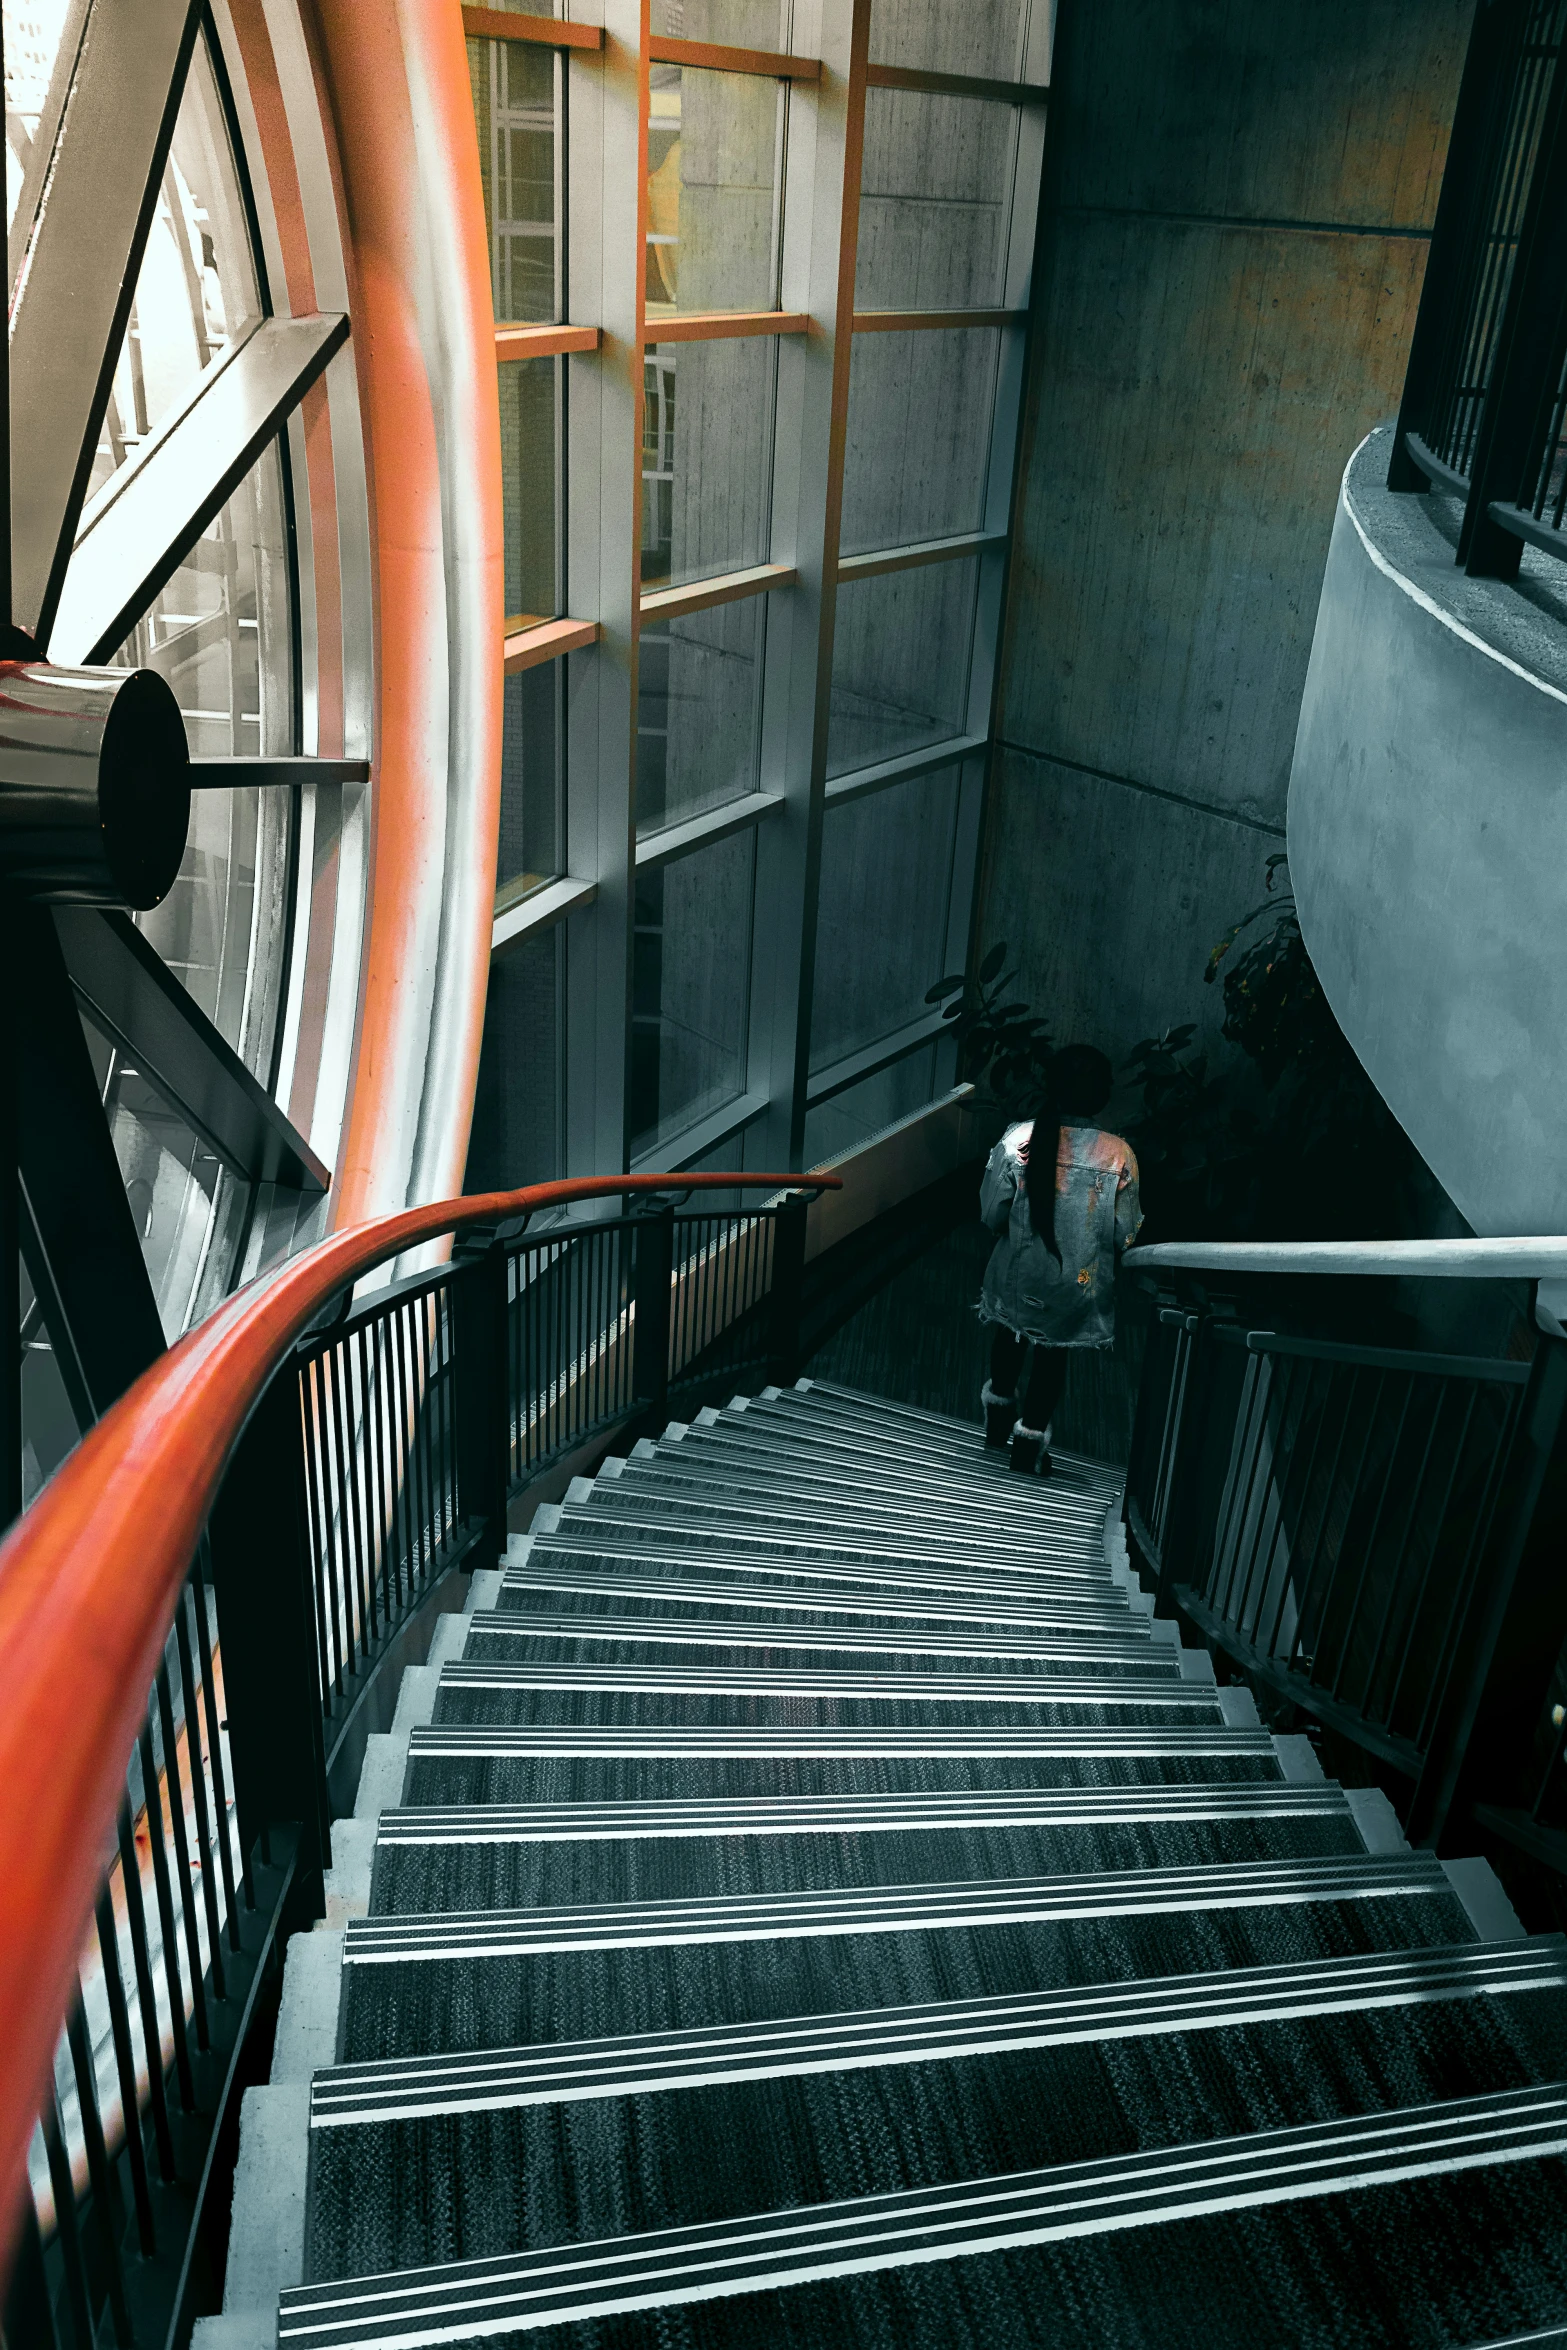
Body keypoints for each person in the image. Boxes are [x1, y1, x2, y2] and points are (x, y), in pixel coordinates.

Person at [977, 1044, 1142, 1475]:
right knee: (1052, 1357)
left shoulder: (1019, 1138)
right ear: (1102, 1095)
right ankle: (1027, 1447)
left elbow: (991, 1211)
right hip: (1076, 1284)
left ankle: (995, 1429)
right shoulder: (1119, 1154)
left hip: (1017, 1274)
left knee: (1011, 1338)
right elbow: (1126, 1235)